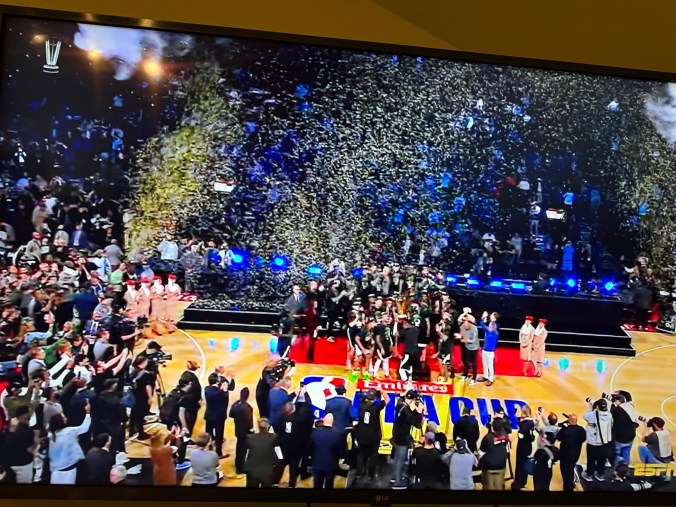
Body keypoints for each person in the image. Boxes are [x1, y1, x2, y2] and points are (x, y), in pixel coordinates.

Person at [48, 405, 92, 484]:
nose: (66, 418)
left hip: (55, 470)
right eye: (63, 417)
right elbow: (84, 427)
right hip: (68, 470)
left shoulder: (51, 435)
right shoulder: (69, 431)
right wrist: (88, 413)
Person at [391, 390, 425, 489]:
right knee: (400, 460)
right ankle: (397, 483)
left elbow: (409, 416)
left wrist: (416, 411)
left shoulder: (400, 404)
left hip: (396, 436)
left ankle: (394, 477)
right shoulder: (406, 411)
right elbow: (417, 424)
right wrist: (419, 412)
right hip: (402, 438)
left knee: (396, 458)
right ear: (414, 399)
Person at [354, 388, 388, 484]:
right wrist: (381, 390)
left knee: (361, 455)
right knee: (373, 455)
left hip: (361, 435)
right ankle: (370, 475)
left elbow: (362, 398)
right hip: (373, 437)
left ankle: (359, 474)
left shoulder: (361, 405)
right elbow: (387, 400)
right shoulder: (376, 407)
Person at [204, 371, 235, 458]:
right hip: (219, 417)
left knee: (208, 433)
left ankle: (208, 449)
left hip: (209, 415)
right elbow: (225, 401)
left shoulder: (207, 389)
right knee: (219, 435)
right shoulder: (222, 393)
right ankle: (218, 453)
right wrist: (225, 390)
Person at [582, 398, 614, 482]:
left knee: (591, 459)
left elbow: (585, 416)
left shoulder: (592, 415)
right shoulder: (609, 415)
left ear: (597, 407)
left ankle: (589, 475)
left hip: (592, 442)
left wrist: (591, 408)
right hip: (603, 442)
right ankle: (600, 475)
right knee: (601, 459)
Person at [2, 405, 35, 484]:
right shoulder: (26, 431)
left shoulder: (8, 429)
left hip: (8, 464)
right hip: (23, 464)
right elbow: (29, 449)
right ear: (24, 415)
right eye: (28, 412)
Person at [309, 413, 342, 489]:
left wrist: (312, 457)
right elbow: (340, 451)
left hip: (317, 464)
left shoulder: (315, 432)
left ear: (323, 421)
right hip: (331, 465)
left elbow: (310, 447)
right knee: (329, 485)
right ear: (332, 422)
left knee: (317, 485)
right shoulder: (338, 434)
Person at [245, 419, 280, 488]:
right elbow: (278, 453)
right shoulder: (274, 437)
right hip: (267, 472)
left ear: (258, 427)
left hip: (252, 471)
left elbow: (245, 455)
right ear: (268, 427)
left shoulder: (249, 438)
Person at [556, 413, 587, 491]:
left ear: (568, 421)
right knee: (570, 470)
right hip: (575, 455)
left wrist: (565, 427)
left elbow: (558, 438)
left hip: (564, 456)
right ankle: (570, 483)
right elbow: (583, 439)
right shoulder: (581, 430)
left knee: (566, 473)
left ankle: (568, 488)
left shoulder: (565, 430)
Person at [229, 387, 254, 475]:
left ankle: (238, 465)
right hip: (245, 432)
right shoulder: (248, 408)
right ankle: (240, 468)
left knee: (239, 448)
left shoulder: (235, 404)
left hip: (238, 430)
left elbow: (230, 415)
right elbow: (249, 421)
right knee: (243, 450)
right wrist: (251, 430)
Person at [479, 420, 509, 491]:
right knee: (499, 485)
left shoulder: (487, 437)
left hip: (489, 466)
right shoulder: (505, 436)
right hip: (501, 465)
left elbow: (481, 452)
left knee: (488, 486)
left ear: (492, 427)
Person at [511, 405, 536, 491]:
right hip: (528, 447)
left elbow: (520, 435)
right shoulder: (530, 422)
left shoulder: (525, 424)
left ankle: (519, 484)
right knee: (524, 465)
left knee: (520, 466)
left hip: (523, 448)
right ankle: (522, 483)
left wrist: (520, 423)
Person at [610, 392, 637, 465]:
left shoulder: (616, 410)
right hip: (630, 436)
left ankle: (616, 468)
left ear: (618, 401)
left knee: (617, 454)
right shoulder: (630, 405)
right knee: (626, 452)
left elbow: (611, 413)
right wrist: (620, 391)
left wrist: (613, 404)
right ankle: (625, 467)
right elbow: (628, 395)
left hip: (619, 438)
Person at [456, 315, 479, 386]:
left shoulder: (474, 329)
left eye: (466, 326)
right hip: (467, 347)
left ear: (469, 324)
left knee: (474, 363)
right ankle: (465, 375)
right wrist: (459, 336)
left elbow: (473, 340)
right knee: (466, 361)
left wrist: (465, 340)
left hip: (474, 347)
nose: (465, 327)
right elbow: (461, 334)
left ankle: (474, 378)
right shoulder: (462, 327)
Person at [479, 311, 499, 386]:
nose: (490, 316)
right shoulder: (490, 324)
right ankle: (485, 376)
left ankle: (490, 379)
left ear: (495, 318)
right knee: (485, 364)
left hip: (490, 350)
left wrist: (482, 321)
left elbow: (487, 329)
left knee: (490, 365)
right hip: (485, 348)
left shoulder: (494, 326)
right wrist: (483, 319)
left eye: (492, 316)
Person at [396, 316, 419, 382]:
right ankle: (410, 379)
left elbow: (395, 334)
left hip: (408, 353)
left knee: (401, 369)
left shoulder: (406, 331)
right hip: (415, 353)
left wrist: (396, 323)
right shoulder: (416, 330)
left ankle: (406, 382)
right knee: (409, 367)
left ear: (406, 323)